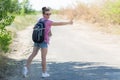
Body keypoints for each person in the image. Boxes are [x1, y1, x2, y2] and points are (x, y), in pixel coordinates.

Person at [23, 6, 73, 78]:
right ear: (43, 14)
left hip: (37, 40)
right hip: (44, 41)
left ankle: (26, 68)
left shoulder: (40, 20)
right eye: (47, 14)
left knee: (33, 54)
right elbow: (60, 23)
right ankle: (44, 73)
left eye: (50, 14)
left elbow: (35, 28)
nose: (48, 15)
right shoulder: (49, 22)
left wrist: (49, 31)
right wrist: (69, 22)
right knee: (43, 58)